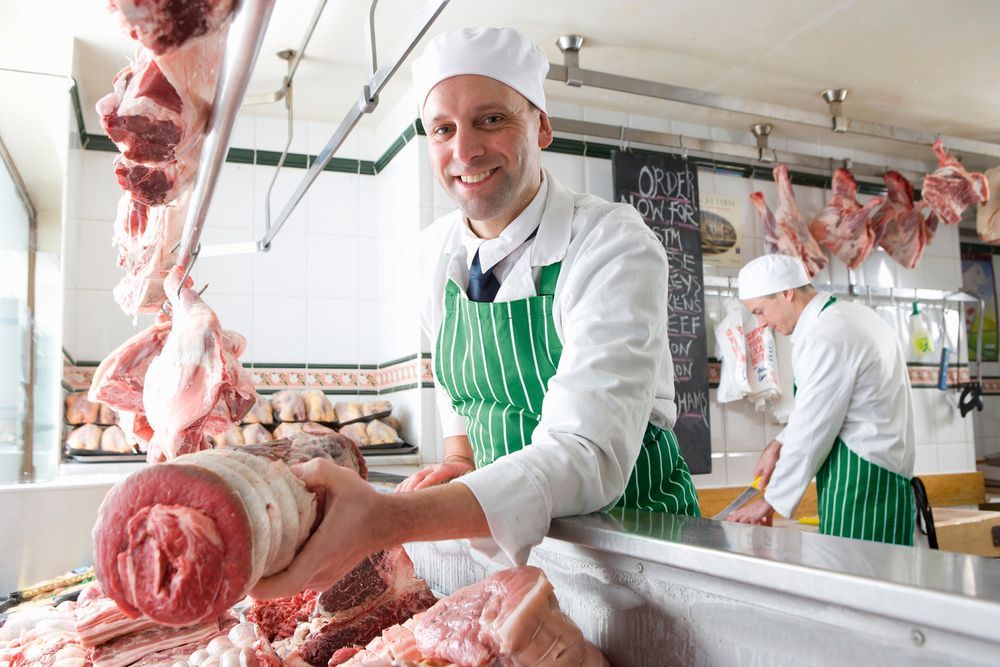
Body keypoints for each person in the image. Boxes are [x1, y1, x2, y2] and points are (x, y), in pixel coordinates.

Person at [252, 26, 699, 599]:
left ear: (541, 124)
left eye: (491, 120)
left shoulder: (612, 244)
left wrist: (388, 520)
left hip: (634, 559)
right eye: (443, 129)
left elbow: (586, 454)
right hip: (511, 562)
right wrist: (460, 455)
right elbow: (455, 386)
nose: (464, 151)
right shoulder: (432, 256)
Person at [726, 254, 917, 546]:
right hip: (877, 474)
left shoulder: (827, 335)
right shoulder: (847, 316)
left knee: (857, 586)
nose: (762, 324)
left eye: (761, 311)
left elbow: (814, 426)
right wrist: (779, 443)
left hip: (863, 481)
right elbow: (826, 405)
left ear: (787, 292)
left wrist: (771, 501)